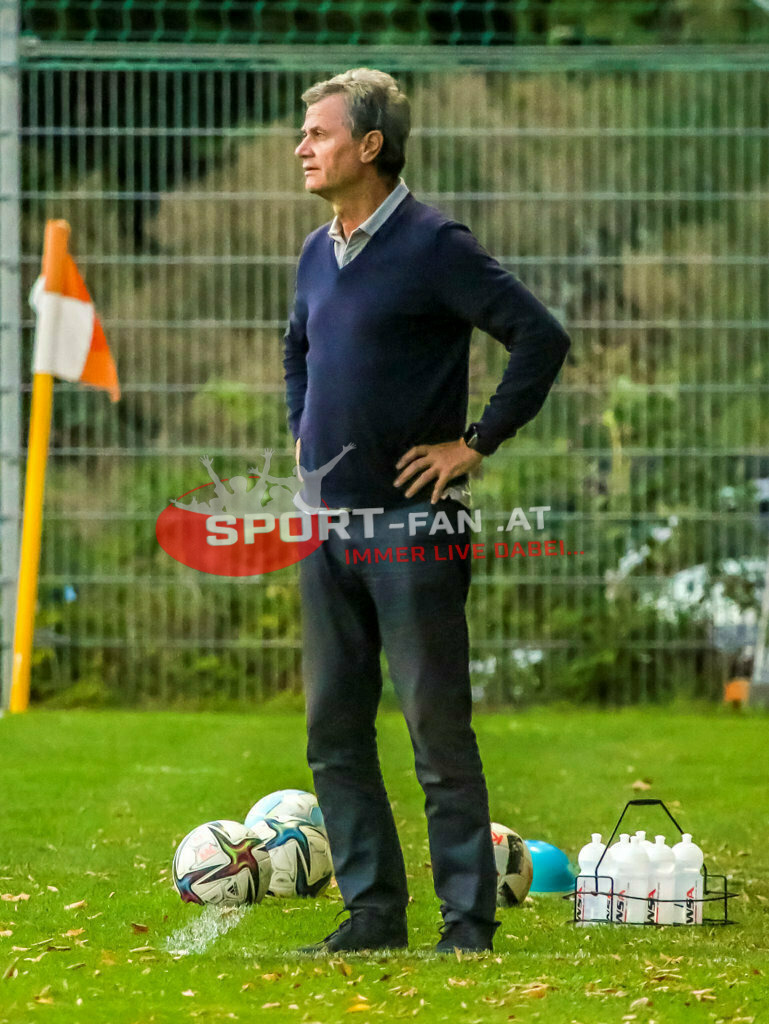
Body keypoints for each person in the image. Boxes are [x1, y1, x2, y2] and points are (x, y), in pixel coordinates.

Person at [283, 68, 570, 954]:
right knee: (333, 730)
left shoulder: (433, 243)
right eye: (305, 133)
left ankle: (466, 925)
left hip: (413, 533)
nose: (302, 147)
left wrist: (473, 444)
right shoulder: (314, 250)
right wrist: (303, 440)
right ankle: (371, 913)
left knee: (435, 734)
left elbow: (539, 336)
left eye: (319, 133)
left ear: (369, 145)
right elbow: (296, 351)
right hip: (326, 529)